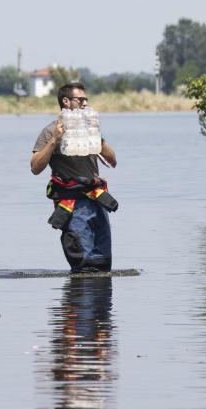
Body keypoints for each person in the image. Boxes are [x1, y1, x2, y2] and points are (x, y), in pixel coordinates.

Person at [30, 82, 118, 272]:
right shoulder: (50, 131)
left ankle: (101, 301)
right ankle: (76, 300)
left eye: (87, 100)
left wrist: (96, 137)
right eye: (81, 100)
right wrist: (55, 139)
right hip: (72, 205)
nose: (86, 104)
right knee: (84, 264)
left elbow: (113, 161)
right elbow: (35, 167)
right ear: (66, 102)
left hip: (97, 200)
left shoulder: (90, 129)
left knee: (103, 263)